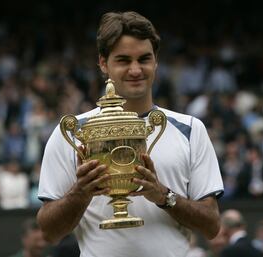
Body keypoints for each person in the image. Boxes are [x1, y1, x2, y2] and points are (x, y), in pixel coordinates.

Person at [37, 11, 224, 257]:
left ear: (156, 61)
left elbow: (211, 225)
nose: (135, 70)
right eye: (123, 60)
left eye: (144, 59)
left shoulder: (190, 129)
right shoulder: (72, 132)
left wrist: (163, 195)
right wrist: (79, 194)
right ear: (103, 64)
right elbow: (49, 233)